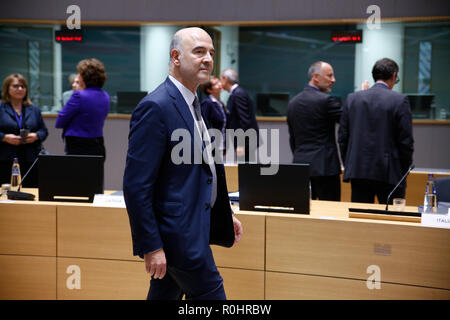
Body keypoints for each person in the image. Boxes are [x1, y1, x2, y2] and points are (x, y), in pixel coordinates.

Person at [123, 27, 243, 300]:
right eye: (199, 51)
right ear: (176, 57)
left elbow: (201, 174)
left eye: (211, 53)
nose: (208, 59)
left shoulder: (194, 103)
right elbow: (136, 185)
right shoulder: (156, 106)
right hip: (179, 238)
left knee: (165, 294)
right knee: (212, 295)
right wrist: (151, 246)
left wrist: (224, 212)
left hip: (191, 230)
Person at [338, 58, 414, 204]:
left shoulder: (352, 99)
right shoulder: (399, 100)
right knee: (391, 222)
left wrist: (350, 164)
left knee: (360, 220)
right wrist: (403, 170)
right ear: (394, 75)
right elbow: (406, 142)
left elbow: (342, 138)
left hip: (359, 171)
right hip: (390, 173)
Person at [286, 61, 342, 201]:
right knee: (330, 214)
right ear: (316, 77)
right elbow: (349, 121)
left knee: (303, 216)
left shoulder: (293, 103)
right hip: (326, 167)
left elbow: (293, 138)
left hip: (300, 166)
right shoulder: (327, 101)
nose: (333, 80)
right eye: (330, 76)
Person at [55, 58, 109, 159]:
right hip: (98, 144)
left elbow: (60, 121)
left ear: (85, 77)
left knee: (76, 174)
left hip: (78, 146)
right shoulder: (105, 95)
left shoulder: (79, 96)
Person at [0, 73, 48, 187]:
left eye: (23, 86)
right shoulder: (1, 108)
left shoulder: (34, 109)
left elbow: (44, 131)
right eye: (16, 86)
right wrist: (4, 137)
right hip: (5, 158)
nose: (20, 89)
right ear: (7, 88)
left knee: (30, 191)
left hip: (29, 158)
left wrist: (36, 136)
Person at [220, 69, 260, 163]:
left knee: (245, 171)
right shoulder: (237, 93)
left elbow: (244, 120)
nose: (220, 82)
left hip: (246, 141)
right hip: (245, 140)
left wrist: (241, 144)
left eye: (221, 79)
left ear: (225, 79)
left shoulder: (238, 94)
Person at [200, 76, 228, 155]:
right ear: (209, 90)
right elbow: (204, 126)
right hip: (211, 145)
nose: (219, 84)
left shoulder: (220, 103)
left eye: (219, 82)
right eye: (215, 84)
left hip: (221, 144)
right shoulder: (207, 103)